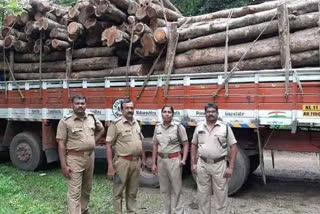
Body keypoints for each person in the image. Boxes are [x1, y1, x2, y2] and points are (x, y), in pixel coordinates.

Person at [56, 94, 105, 214]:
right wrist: (63, 165)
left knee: (87, 189)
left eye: (82, 103)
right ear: (72, 105)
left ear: (86, 105)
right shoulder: (65, 122)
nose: (80, 106)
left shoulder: (91, 118)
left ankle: (84, 210)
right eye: (77, 103)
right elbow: (61, 144)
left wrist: (94, 141)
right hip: (74, 159)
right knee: (74, 192)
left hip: (90, 158)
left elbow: (102, 129)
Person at [190, 102, 238, 214]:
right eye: (208, 112)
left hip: (219, 164)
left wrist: (230, 167)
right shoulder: (199, 127)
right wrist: (193, 163)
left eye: (213, 112)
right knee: (202, 195)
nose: (210, 114)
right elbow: (193, 145)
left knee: (221, 195)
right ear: (205, 114)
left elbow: (233, 147)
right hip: (202, 164)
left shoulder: (225, 128)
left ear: (217, 113)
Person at [106, 98, 146, 214]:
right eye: (127, 108)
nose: (130, 110)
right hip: (122, 162)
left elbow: (140, 141)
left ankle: (131, 212)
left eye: (131, 108)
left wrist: (143, 158)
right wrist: (110, 166)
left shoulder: (136, 123)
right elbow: (108, 145)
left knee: (132, 192)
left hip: (135, 163)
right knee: (118, 192)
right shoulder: (116, 124)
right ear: (122, 110)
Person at [151, 105, 189, 214]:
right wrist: (153, 163)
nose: (167, 114)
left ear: (172, 114)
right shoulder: (157, 127)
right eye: (165, 112)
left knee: (177, 189)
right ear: (162, 113)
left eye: (169, 112)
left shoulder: (178, 127)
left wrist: (184, 160)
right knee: (164, 189)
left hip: (174, 160)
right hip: (161, 160)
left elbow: (186, 144)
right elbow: (154, 145)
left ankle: (178, 211)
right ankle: (165, 211)